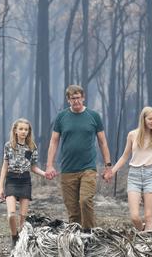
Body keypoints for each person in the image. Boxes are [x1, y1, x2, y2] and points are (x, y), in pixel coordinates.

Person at [45, 84, 112, 231]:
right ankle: (76, 238)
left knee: (85, 200)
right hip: (68, 169)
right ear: (68, 100)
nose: (76, 101)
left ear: (83, 98)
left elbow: (102, 142)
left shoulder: (93, 116)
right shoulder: (62, 117)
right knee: (73, 210)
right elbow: (54, 141)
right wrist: (49, 165)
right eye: (73, 98)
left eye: (78, 98)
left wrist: (108, 166)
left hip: (88, 168)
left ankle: (89, 234)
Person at [107, 107, 152, 231]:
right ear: (143, 119)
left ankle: (147, 244)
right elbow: (124, 157)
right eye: (150, 119)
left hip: (150, 174)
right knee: (134, 217)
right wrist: (112, 172)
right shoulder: (132, 135)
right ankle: (142, 231)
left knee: (149, 216)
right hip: (134, 174)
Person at [0, 118, 46, 247]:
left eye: (26, 129)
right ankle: (14, 236)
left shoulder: (32, 147)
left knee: (23, 215)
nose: (24, 132)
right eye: (21, 129)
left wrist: (45, 174)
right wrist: (0, 187)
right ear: (15, 130)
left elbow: (33, 167)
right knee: (11, 214)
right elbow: (5, 165)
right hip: (11, 180)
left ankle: (22, 240)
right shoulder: (8, 146)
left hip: (25, 181)